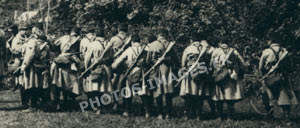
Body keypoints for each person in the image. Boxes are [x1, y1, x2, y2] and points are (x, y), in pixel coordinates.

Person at [258, 36, 298, 120]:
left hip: (269, 77)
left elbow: (261, 67)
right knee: (284, 95)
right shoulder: (285, 52)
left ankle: (269, 115)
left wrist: (263, 74)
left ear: (271, 42)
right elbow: (290, 67)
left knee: (267, 95)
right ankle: (286, 116)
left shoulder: (266, 52)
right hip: (282, 77)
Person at [112, 33, 149, 117]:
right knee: (143, 92)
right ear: (139, 41)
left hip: (131, 72)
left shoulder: (129, 50)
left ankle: (127, 112)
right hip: (142, 72)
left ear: (132, 41)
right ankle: (147, 112)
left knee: (128, 92)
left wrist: (113, 66)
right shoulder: (145, 48)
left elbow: (118, 61)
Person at [145, 29, 179, 119]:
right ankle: (168, 114)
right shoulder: (169, 45)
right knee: (168, 93)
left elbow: (147, 61)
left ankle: (160, 113)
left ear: (158, 35)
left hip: (155, 70)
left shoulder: (152, 45)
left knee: (157, 92)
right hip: (167, 70)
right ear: (165, 35)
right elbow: (175, 60)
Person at [210, 39, 247, 119]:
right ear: (229, 43)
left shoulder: (216, 51)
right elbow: (243, 64)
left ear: (220, 43)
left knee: (218, 98)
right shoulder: (234, 51)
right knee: (230, 98)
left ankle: (219, 117)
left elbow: (211, 64)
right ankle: (230, 117)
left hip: (219, 76)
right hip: (230, 76)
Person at [179, 38, 216, 120]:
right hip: (201, 72)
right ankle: (198, 115)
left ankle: (188, 115)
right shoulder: (204, 49)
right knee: (199, 95)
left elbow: (183, 62)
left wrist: (184, 68)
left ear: (192, 41)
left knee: (188, 94)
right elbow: (210, 60)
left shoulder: (188, 49)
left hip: (190, 72)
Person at [83, 28, 113, 114]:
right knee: (102, 89)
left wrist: (86, 69)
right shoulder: (109, 44)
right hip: (106, 68)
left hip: (95, 68)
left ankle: (98, 107)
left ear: (96, 35)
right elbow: (111, 57)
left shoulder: (92, 45)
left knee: (95, 89)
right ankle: (102, 107)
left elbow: (87, 58)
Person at [51, 27, 81, 111]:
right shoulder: (77, 39)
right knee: (70, 84)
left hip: (63, 60)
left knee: (59, 82)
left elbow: (54, 46)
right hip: (71, 62)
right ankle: (69, 103)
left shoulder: (62, 39)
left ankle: (58, 103)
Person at [20, 22, 47, 112]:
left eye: (25, 29)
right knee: (32, 85)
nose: (23, 32)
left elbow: (30, 55)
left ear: (29, 30)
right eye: (22, 29)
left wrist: (24, 65)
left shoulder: (31, 41)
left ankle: (33, 106)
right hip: (31, 65)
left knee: (32, 86)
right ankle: (34, 105)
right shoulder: (29, 40)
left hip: (31, 66)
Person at [108, 23, 131, 111]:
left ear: (118, 29)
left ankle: (116, 103)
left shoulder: (114, 39)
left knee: (114, 84)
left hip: (116, 63)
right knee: (125, 84)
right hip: (127, 64)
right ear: (127, 30)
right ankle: (125, 104)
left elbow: (109, 51)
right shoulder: (129, 39)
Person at [10, 24, 31, 108]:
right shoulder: (16, 39)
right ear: (20, 30)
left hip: (26, 62)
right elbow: (15, 51)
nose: (26, 31)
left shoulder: (27, 39)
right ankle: (24, 102)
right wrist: (24, 48)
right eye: (24, 30)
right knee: (21, 82)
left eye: (27, 30)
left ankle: (29, 100)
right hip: (19, 62)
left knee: (28, 81)